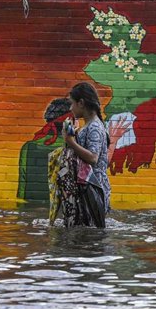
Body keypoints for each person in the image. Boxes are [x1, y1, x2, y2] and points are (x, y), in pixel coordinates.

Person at [54, 82, 127, 228]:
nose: (70, 108)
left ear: (81, 103)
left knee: (90, 236)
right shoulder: (90, 125)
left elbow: (93, 158)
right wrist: (73, 136)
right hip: (88, 189)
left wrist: (71, 141)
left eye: (72, 103)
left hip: (93, 190)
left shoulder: (94, 126)